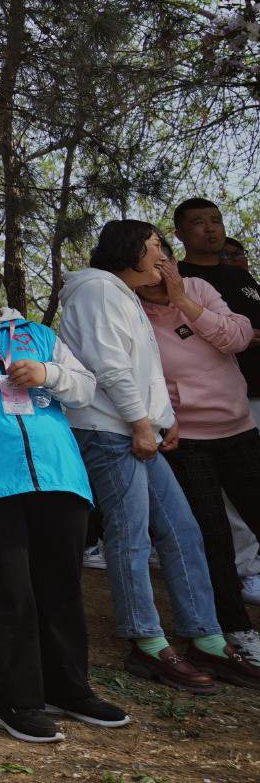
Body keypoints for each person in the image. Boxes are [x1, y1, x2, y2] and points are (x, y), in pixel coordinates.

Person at [0, 242, 129, 742]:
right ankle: (10, 700)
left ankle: (69, 689)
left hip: (57, 476)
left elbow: (84, 389)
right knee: (4, 592)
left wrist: (48, 374)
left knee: (61, 589)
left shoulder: (38, 335)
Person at [57, 221, 252, 692]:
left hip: (136, 428)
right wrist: (142, 422)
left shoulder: (124, 295)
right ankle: (145, 643)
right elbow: (108, 365)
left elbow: (146, 368)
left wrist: (163, 416)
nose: (163, 257)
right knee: (131, 538)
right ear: (129, 251)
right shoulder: (97, 291)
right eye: (155, 247)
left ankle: (203, 636)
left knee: (184, 533)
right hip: (110, 431)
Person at [144, 238, 260, 663]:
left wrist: (183, 302)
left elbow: (239, 337)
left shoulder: (198, 289)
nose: (158, 268)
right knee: (212, 535)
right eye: (148, 260)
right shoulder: (131, 310)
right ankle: (236, 629)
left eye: (164, 258)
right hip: (187, 440)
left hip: (238, 427)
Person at [174, 200, 260, 605]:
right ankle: (246, 571)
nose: (210, 229)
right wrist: (235, 332)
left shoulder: (239, 276)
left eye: (216, 220)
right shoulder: (181, 281)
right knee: (226, 498)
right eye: (198, 223)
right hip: (211, 406)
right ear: (179, 234)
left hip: (249, 396)